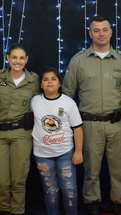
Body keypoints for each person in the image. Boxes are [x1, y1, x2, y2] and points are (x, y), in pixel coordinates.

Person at [62, 16, 121, 215]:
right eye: (96, 30)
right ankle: (92, 204)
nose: (101, 34)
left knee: (119, 168)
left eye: (105, 29)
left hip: (117, 123)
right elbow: (67, 93)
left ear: (111, 32)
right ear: (90, 33)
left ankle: (120, 203)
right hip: (89, 123)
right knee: (91, 169)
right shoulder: (78, 61)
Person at [0, 43, 40, 215]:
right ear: (7, 58)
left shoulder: (34, 80)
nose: (18, 61)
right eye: (14, 57)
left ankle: (17, 212)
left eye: (21, 58)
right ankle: (5, 211)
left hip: (21, 134)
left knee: (18, 180)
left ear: (26, 60)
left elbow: (42, 104)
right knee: (1, 181)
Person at [30, 67, 83, 215]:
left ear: (59, 83)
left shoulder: (68, 102)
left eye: (53, 79)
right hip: (42, 154)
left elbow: (77, 128)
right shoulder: (35, 101)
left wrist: (78, 151)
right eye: (45, 79)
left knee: (70, 190)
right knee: (50, 190)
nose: (49, 82)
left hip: (65, 153)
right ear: (41, 85)